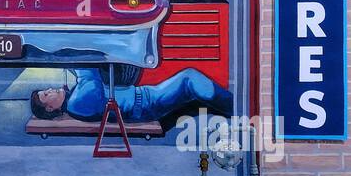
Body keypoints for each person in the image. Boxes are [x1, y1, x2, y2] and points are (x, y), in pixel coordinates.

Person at [29, 66, 232, 125]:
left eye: (46, 90)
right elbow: (89, 75)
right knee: (189, 80)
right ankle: (236, 108)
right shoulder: (77, 104)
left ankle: (231, 106)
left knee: (189, 85)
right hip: (146, 105)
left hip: (144, 98)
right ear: (50, 108)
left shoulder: (74, 98)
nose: (49, 89)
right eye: (45, 95)